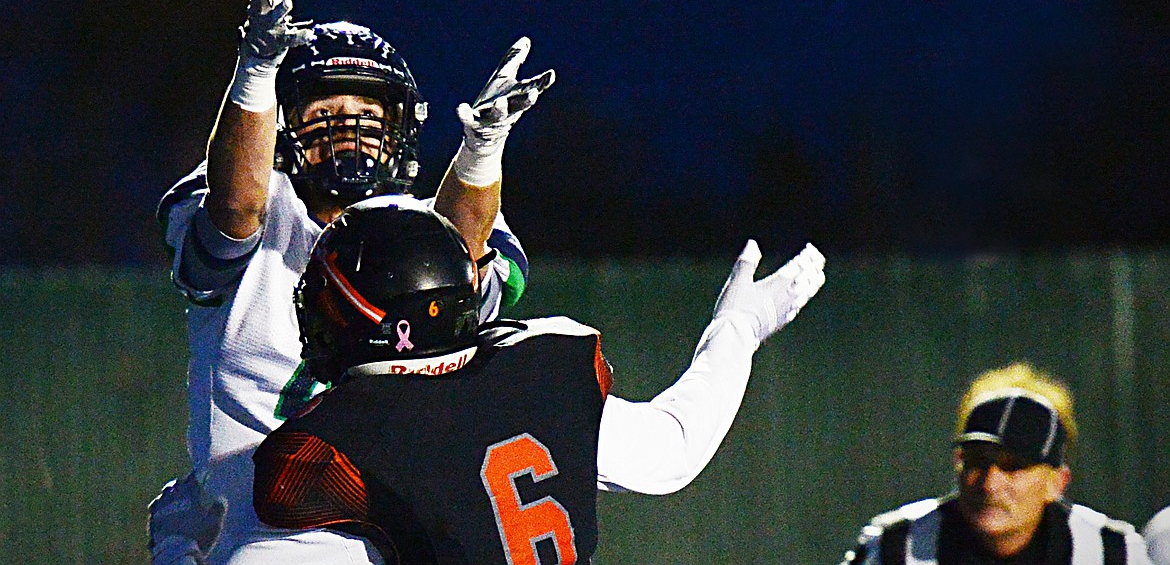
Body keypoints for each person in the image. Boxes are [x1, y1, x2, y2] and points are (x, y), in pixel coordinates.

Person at [148, 0, 554, 565]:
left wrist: (481, 151)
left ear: (400, 130)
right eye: (325, 111)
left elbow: (462, 270)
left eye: (367, 113)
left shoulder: (419, 228)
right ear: (283, 127)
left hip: (378, 532)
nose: (349, 128)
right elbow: (233, 215)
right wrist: (257, 70)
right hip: (241, 529)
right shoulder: (252, 194)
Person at [245, 199, 826, 564]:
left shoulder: (334, 445)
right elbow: (676, 446)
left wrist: (188, 546)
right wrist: (740, 328)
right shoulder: (543, 367)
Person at [840, 362, 1153, 565]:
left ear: (1057, 483)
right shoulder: (894, 547)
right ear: (957, 463)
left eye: (1013, 467)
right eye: (977, 462)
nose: (990, 483)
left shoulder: (1113, 553)